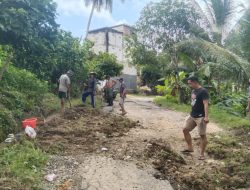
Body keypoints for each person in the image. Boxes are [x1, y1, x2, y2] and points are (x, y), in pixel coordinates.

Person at [182, 76, 209, 160]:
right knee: (185, 130)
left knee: (202, 135)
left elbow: (206, 104)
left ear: (195, 82)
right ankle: (190, 148)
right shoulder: (193, 91)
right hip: (192, 115)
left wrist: (206, 117)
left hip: (201, 117)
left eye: (190, 83)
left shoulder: (203, 91)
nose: (189, 85)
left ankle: (202, 154)